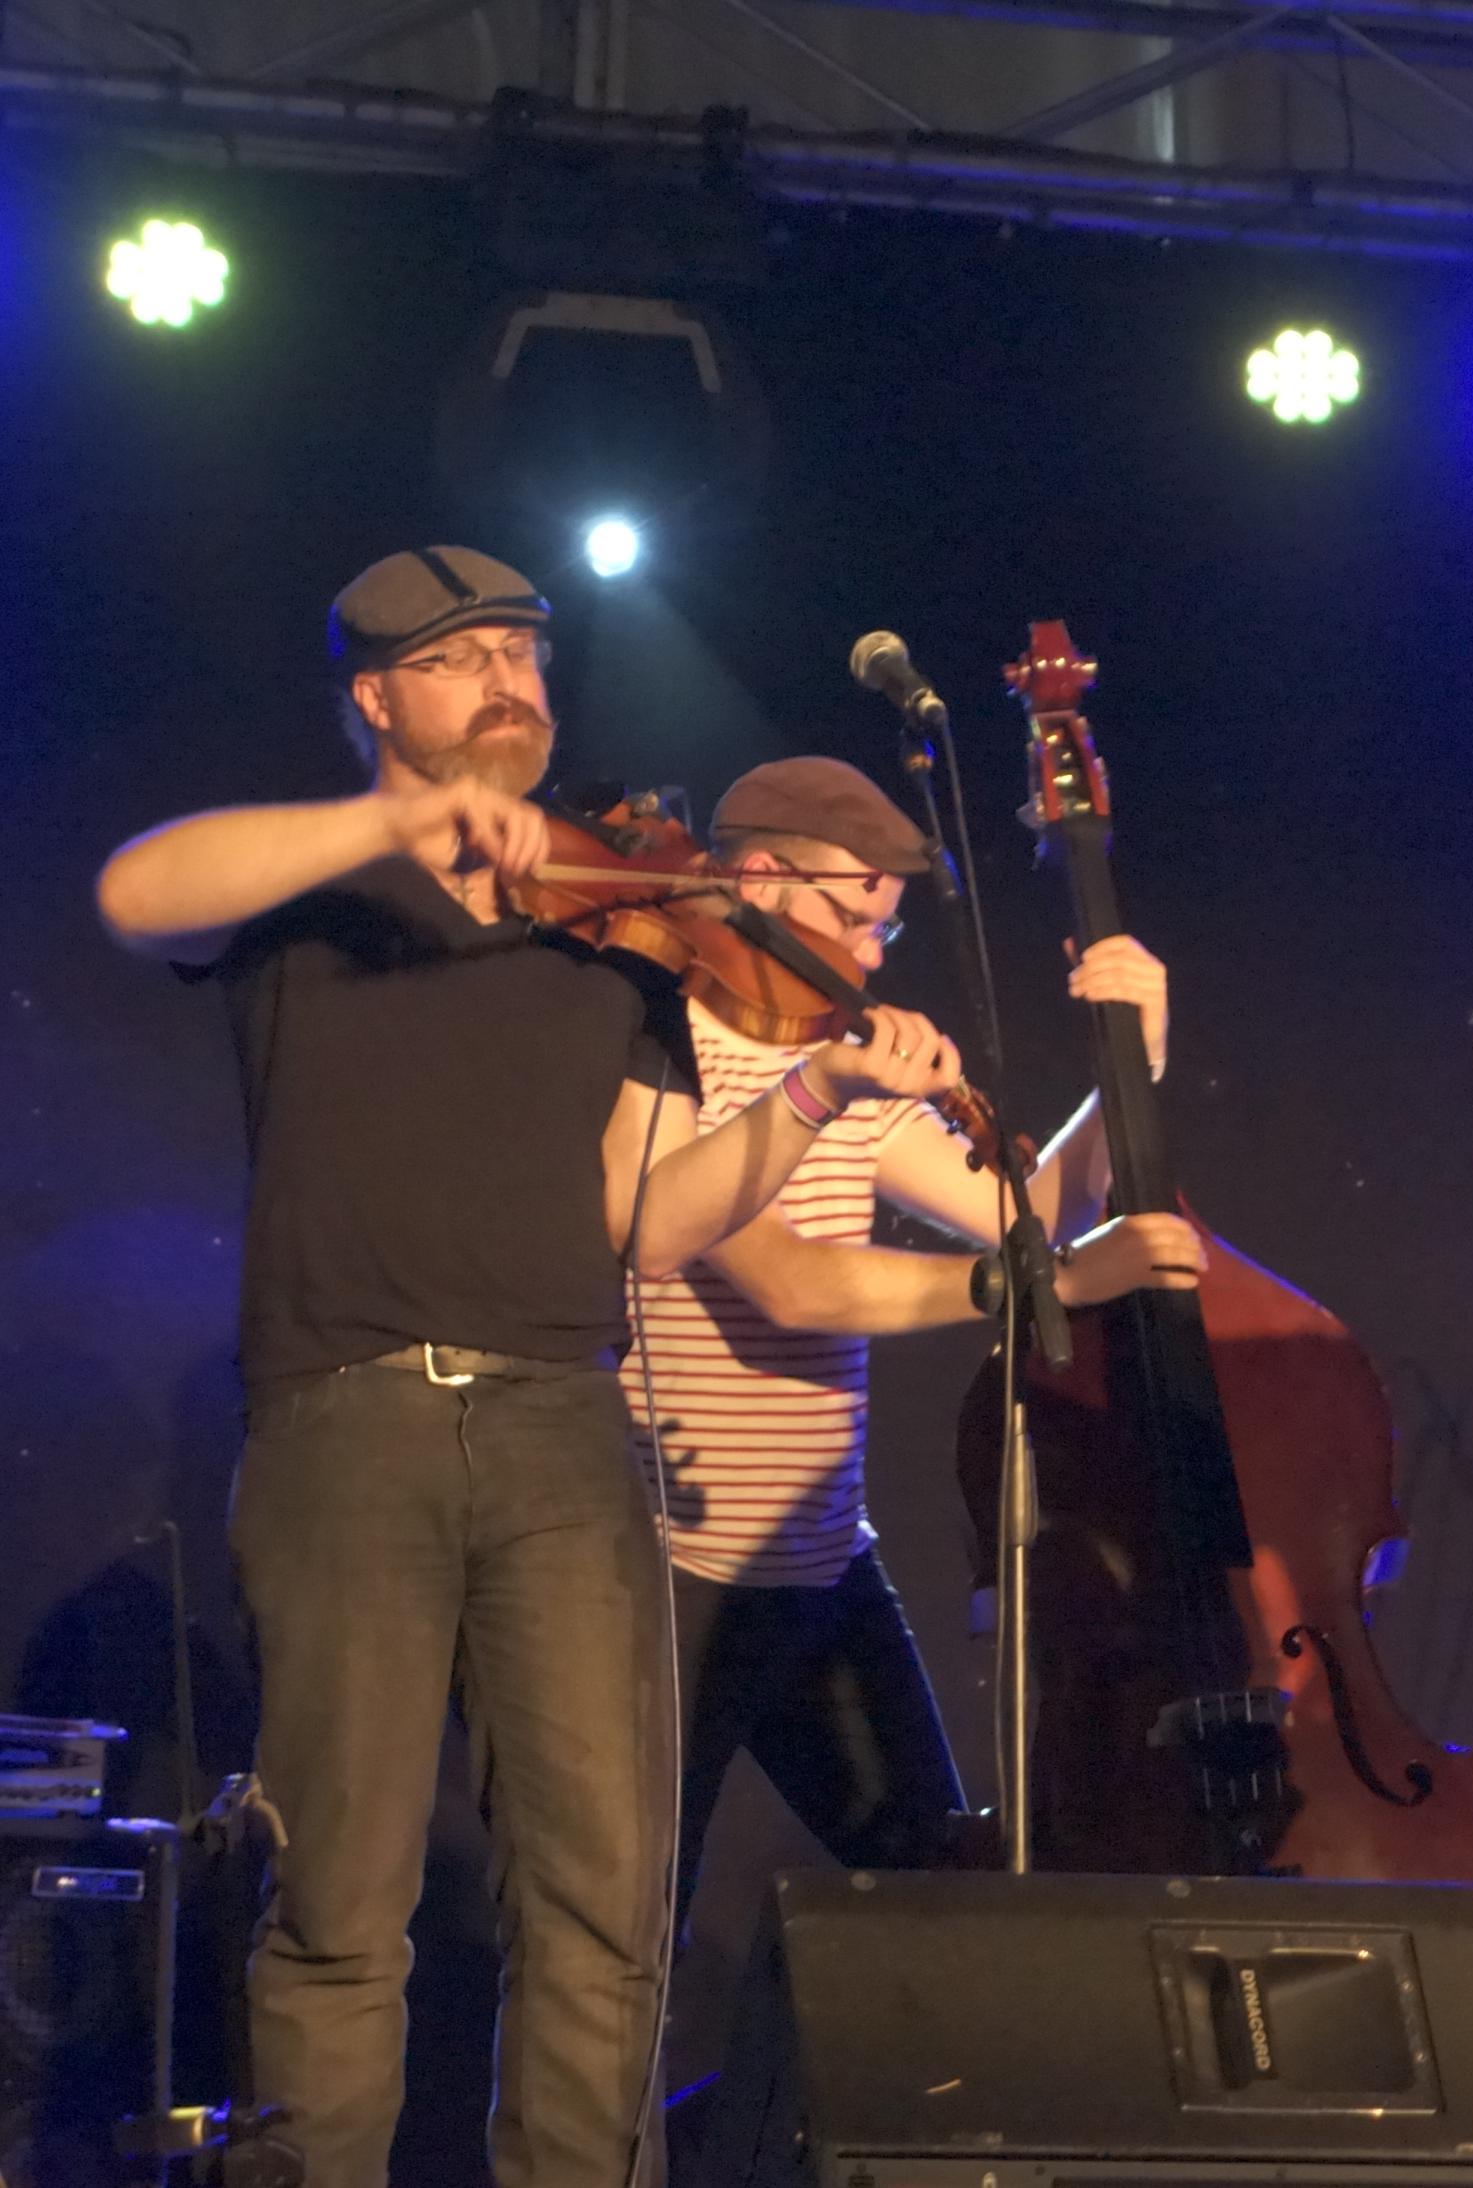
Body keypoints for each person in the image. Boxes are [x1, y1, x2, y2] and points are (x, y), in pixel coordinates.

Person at [93, 547, 963, 2188]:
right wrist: (399, 823)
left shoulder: (615, 928)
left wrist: (810, 1100)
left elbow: (650, 1221)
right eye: (460, 656)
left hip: (568, 1424)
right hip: (349, 1414)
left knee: (604, 1902)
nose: (507, 678)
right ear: (376, 696)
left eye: (523, 652)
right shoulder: (312, 887)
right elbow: (139, 893)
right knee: (341, 1897)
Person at [620, 754, 1204, 1938]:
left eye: (884, 929)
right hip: (672, 1581)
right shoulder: (667, 1058)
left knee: (945, 1898)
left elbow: (1025, 1214)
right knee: (633, 1928)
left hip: (823, 1565)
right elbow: (791, 1283)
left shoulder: (839, 1054)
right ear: (760, 878)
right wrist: (1039, 1284)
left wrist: (1126, 1066)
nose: (873, 956)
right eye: (854, 918)